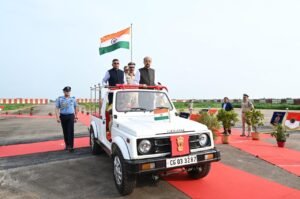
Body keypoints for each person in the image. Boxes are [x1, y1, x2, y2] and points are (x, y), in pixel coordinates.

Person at [55, 86, 78, 152]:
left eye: (68, 91)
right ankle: (67, 145)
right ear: (64, 92)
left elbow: (76, 107)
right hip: (63, 116)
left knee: (70, 131)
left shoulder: (73, 99)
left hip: (71, 116)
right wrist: (57, 117)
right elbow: (56, 108)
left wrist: (76, 116)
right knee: (65, 131)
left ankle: (71, 146)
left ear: (70, 92)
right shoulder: (60, 99)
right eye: (66, 91)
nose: (67, 92)